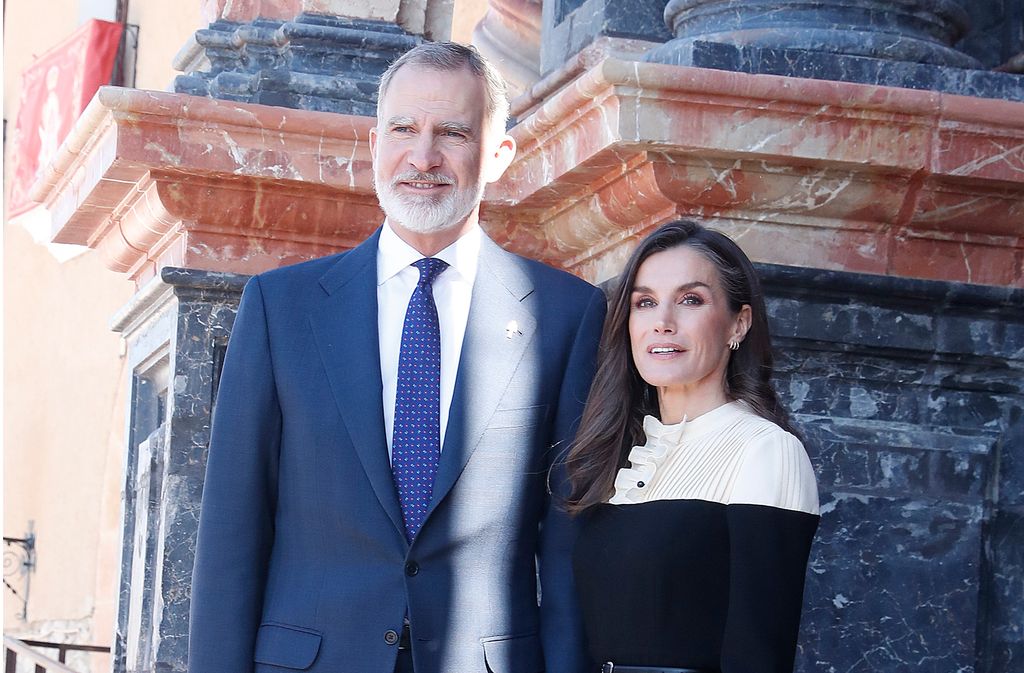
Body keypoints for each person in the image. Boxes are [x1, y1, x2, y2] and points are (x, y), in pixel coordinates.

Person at [188, 42, 605, 673]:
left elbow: (569, 548)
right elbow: (231, 532)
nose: (424, 156)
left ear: (499, 154)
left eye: (454, 133)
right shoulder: (282, 307)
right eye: (404, 129)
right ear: (375, 141)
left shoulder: (565, 316)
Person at [566, 220, 819, 673]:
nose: (662, 323)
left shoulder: (765, 450)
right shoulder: (615, 452)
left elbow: (758, 655)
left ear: (738, 322)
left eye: (690, 300)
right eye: (645, 303)